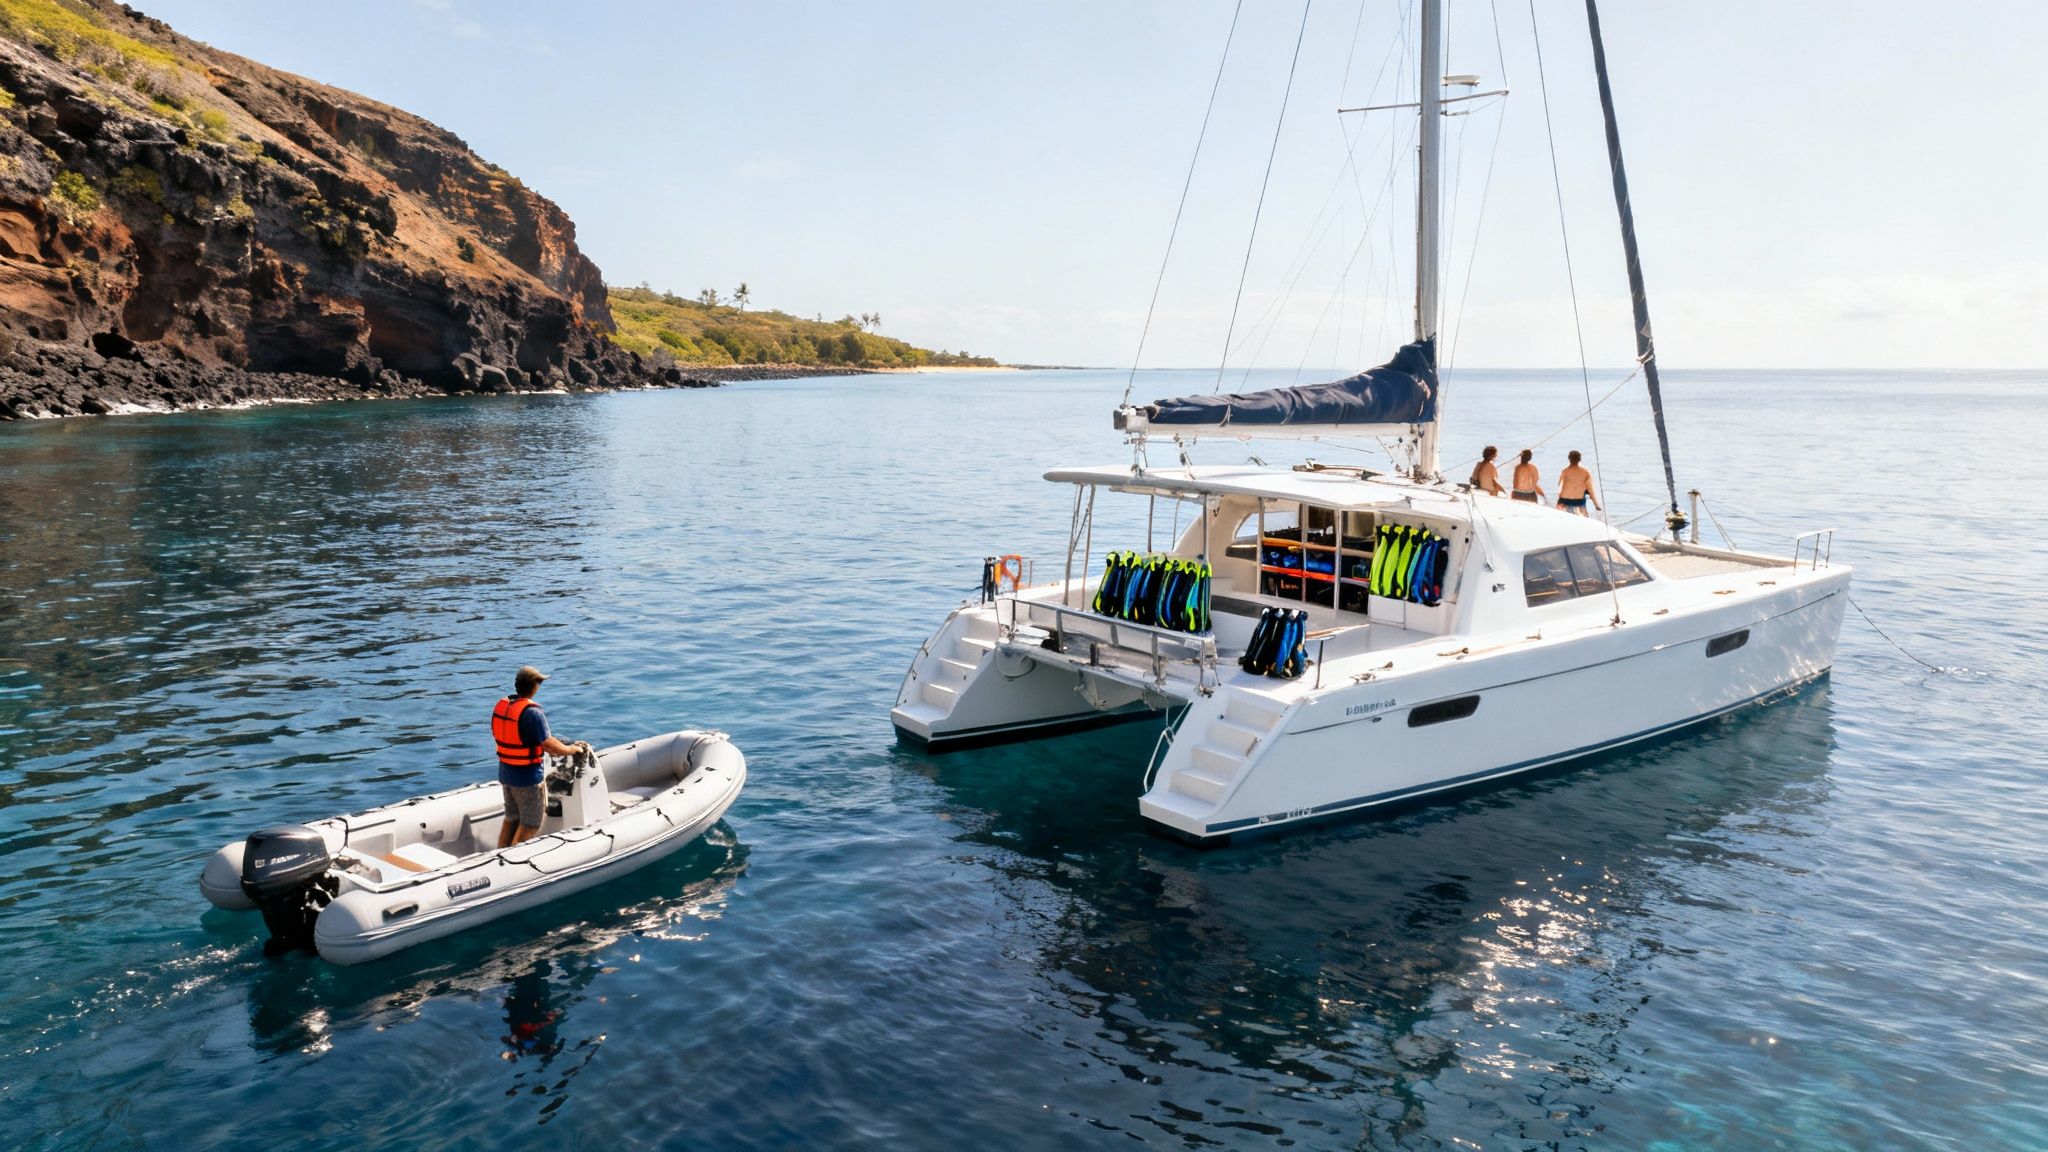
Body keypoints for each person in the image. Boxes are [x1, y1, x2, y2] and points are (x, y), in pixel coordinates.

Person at [491, 665, 589, 847]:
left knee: (512, 817)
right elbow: (549, 745)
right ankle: (511, 862)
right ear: (535, 686)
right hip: (527, 778)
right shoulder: (533, 713)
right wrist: (571, 750)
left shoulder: (503, 706)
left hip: (506, 773)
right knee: (530, 824)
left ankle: (500, 853)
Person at [1556, 449, 1603, 516]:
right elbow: (1591, 491)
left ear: (1569, 459)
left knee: (1558, 510)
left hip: (1564, 501)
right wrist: (1596, 505)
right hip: (1579, 501)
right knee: (1584, 512)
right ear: (1579, 460)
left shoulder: (1564, 472)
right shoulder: (1586, 473)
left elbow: (1559, 487)